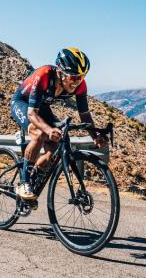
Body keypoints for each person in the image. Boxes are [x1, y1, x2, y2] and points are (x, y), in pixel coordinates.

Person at [10, 48, 108, 200]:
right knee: (40, 133)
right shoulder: (44, 75)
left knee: (55, 149)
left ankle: (33, 176)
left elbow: (85, 115)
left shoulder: (80, 85)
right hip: (22, 103)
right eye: (73, 77)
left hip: (41, 106)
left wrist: (94, 135)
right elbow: (31, 113)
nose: (77, 82)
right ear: (60, 72)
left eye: (81, 77)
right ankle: (24, 182)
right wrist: (49, 129)